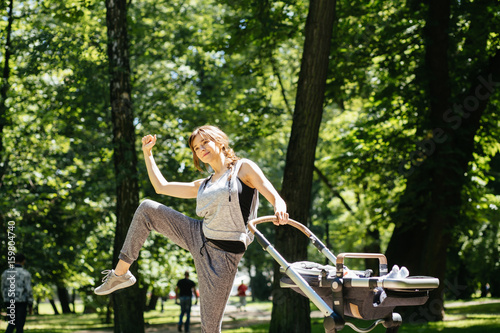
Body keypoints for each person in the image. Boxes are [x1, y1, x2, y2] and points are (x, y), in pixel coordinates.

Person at [94, 125, 289, 332]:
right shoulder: (203, 184)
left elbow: (275, 196)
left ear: (220, 141)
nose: (201, 149)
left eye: (205, 142)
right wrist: (147, 153)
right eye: (196, 147)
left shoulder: (242, 168)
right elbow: (161, 187)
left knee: (210, 328)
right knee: (147, 209)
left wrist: (280, 209)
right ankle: (120, 274)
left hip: (224, 255)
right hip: (197, 234)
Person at [1, 254, 33, 333]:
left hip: (9, 300)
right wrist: (30, 304)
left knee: (11, 323)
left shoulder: (5, 273)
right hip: (21, 301)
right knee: (20, 324)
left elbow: (2, 288)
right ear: (23, 261)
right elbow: (28, 290)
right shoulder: (26, 274)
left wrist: (5, 299)